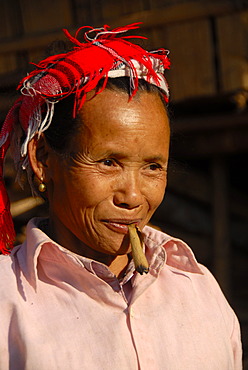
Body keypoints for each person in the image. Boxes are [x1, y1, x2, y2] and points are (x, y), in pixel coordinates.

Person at [0, 23, 242, 369]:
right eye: (108, 162)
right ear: (43, 160)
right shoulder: (8, 303)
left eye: (153, 167)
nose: (132, 196)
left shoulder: (199, 292)